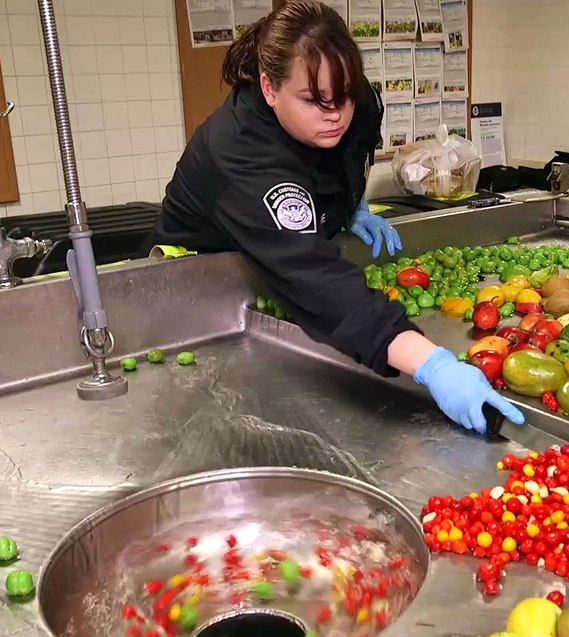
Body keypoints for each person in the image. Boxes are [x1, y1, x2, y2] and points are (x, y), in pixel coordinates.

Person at [143, 2, 524, 434]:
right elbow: (317, 281)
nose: (335, 114)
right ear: (269, 89)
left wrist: (350, 204)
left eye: (344, 96)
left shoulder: (352, 100)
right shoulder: (242, 152)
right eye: (313, 100)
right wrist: (431, 364)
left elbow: (355, 143)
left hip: (286, 259)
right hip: (198, 297)